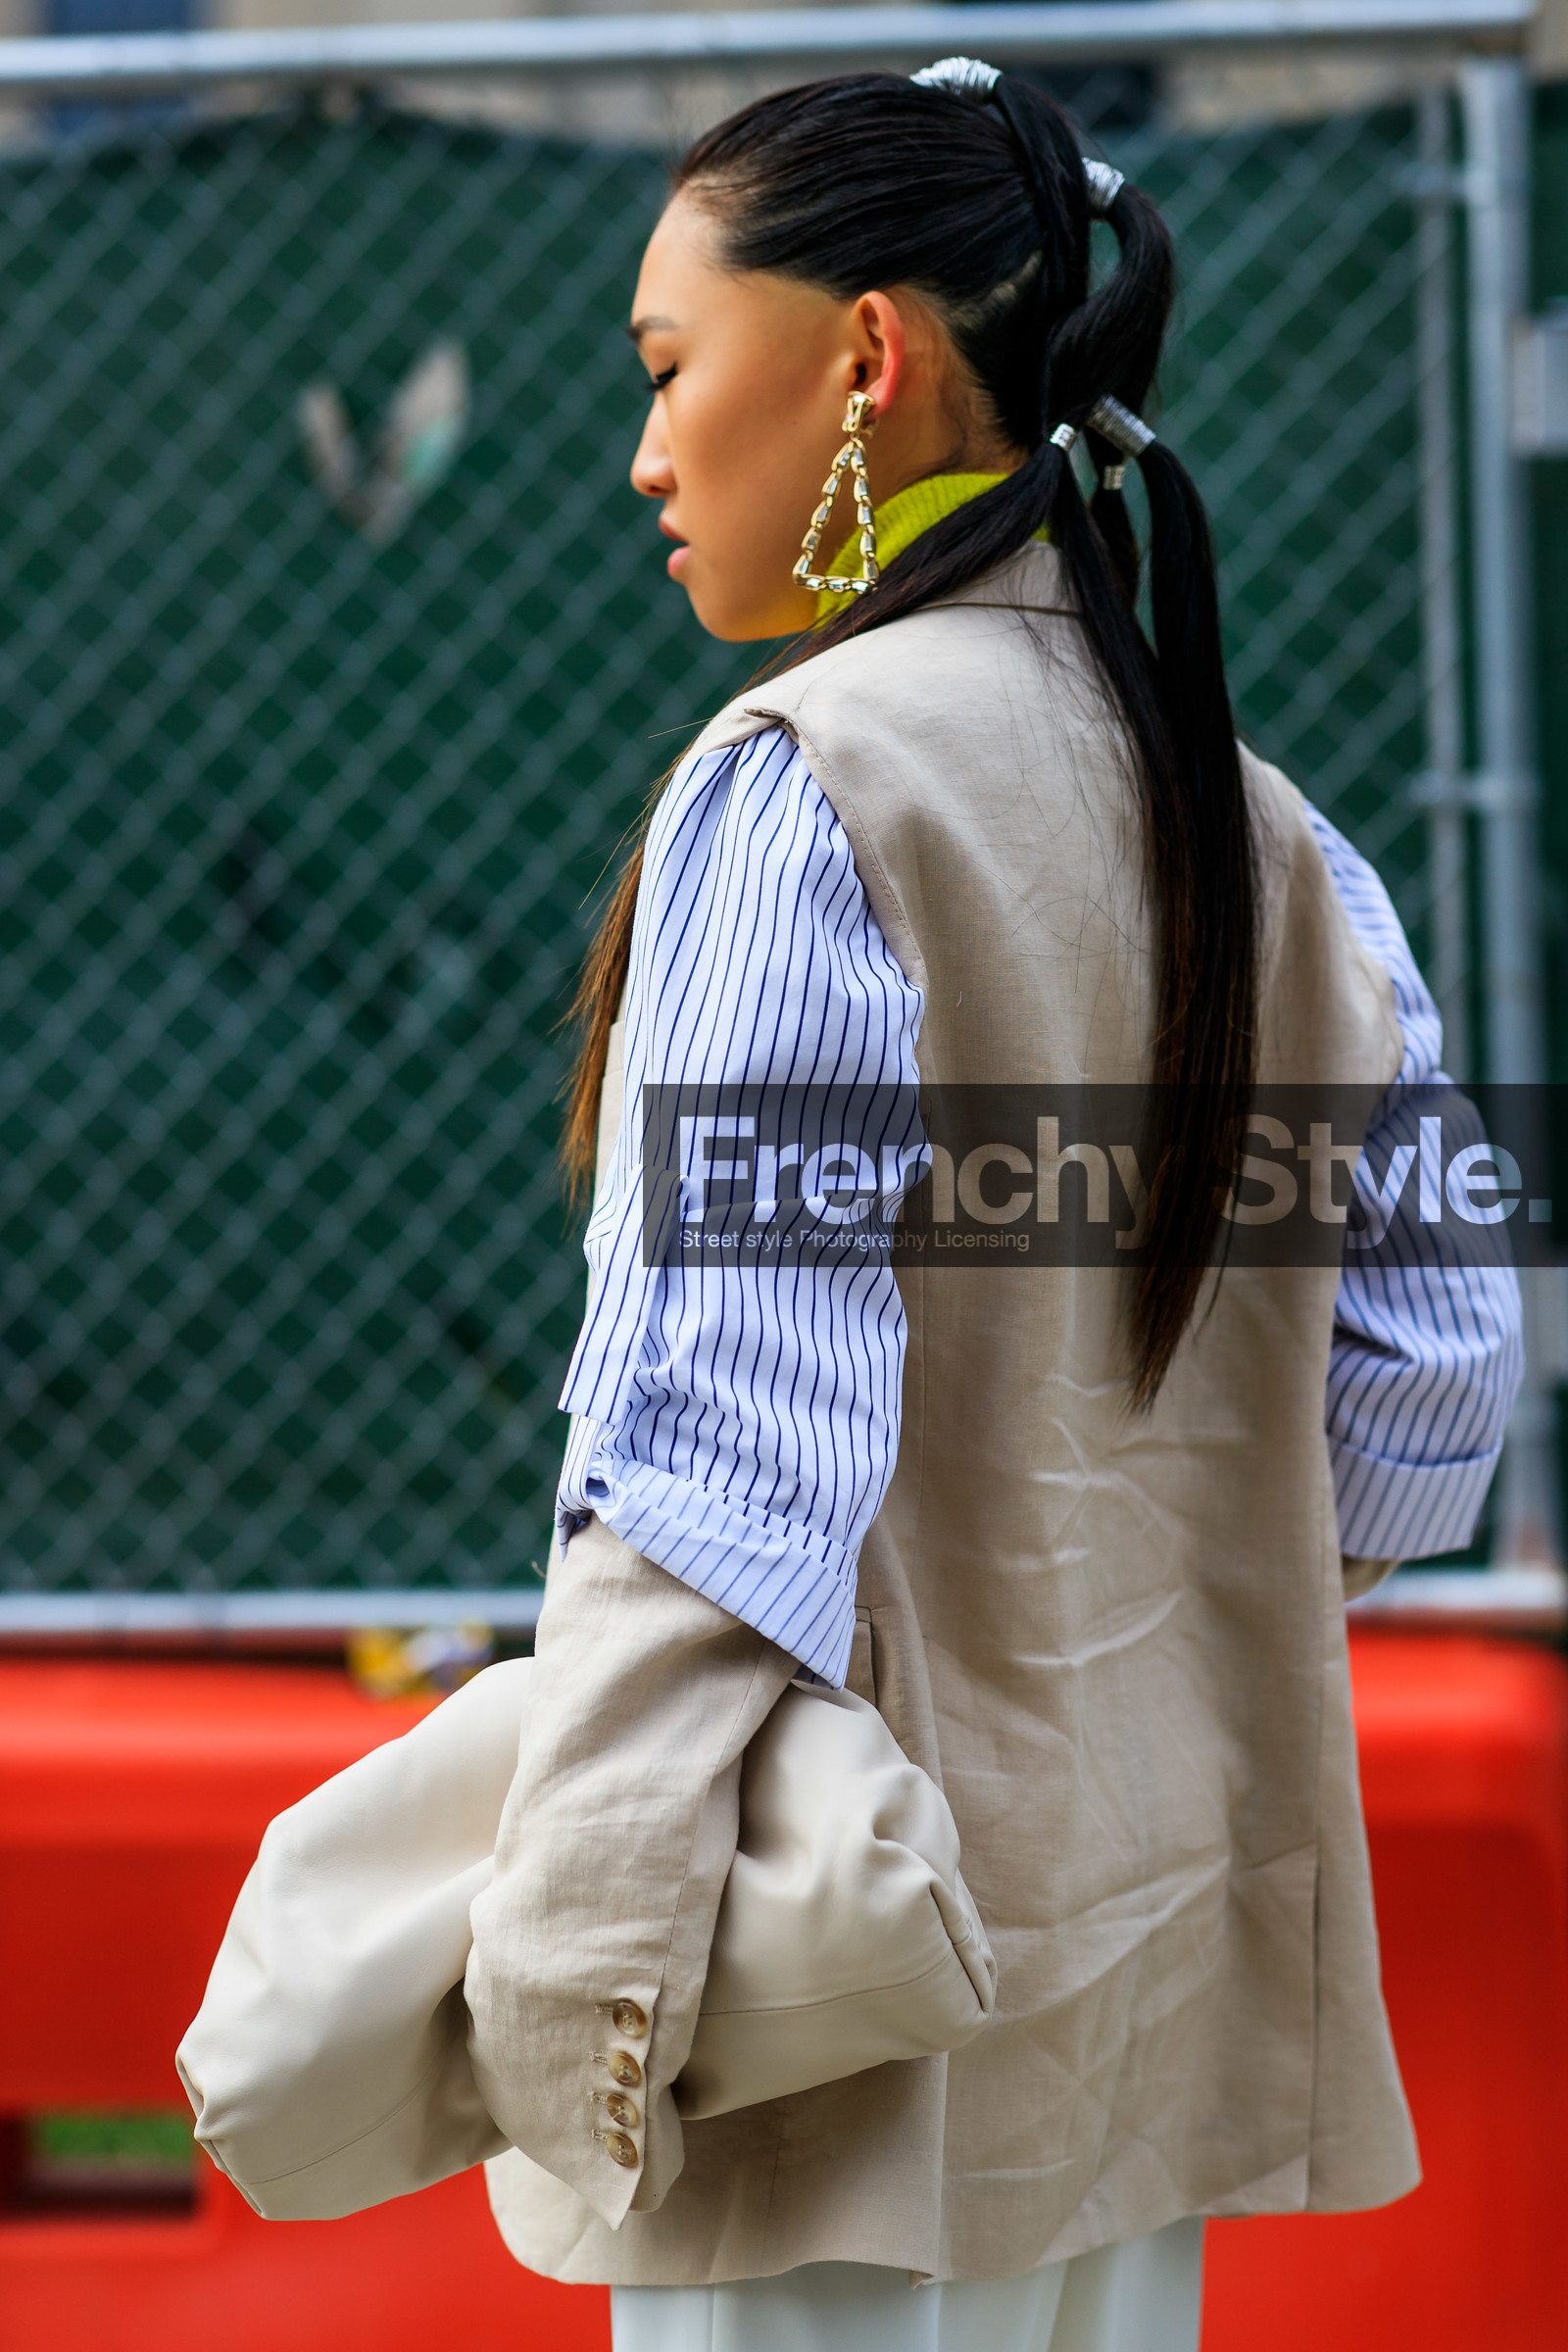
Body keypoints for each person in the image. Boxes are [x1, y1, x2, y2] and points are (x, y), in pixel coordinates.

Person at [464, 63, 1523, 2352]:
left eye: (668, 369)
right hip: (1142, 1973)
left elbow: (721, 1450)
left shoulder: (799, 796)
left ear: (862, 355)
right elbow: (1438, 1358)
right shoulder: (1261, 827)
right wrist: (1136, 1569)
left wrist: (577, 1945)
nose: (643, 454)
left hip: (825, 1988)